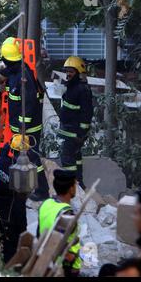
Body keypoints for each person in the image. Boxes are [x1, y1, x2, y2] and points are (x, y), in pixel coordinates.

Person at [0, 37, 50, 202]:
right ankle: (22, 188)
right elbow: (1, 68)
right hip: (18, 127)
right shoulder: (14, 70)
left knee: (32, 159)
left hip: (27, 127)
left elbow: (30, 103)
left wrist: (22, 126)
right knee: (18, 156)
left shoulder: (23, 78)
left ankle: (42, 191)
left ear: (9, 60)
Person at [37, 169, 81, 277]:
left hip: (44, 262)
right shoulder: (67, 215)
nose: (76, 188)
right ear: (71, 189)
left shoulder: (46, 204)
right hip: (62, 269)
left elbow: (39, 234)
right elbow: (64, 251)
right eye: (75, 185)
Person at [58, 56, 93, 190]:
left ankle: (71, 187)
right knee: (76, 157)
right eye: (67, 71)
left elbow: (87, 113)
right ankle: (79, 184)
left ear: (78, 72)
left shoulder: (81, 89)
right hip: (71, 131)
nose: (68, 74)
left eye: (71, 71)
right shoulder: (73, 87)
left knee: (67, 158)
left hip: (74, 133)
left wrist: (81, 133)